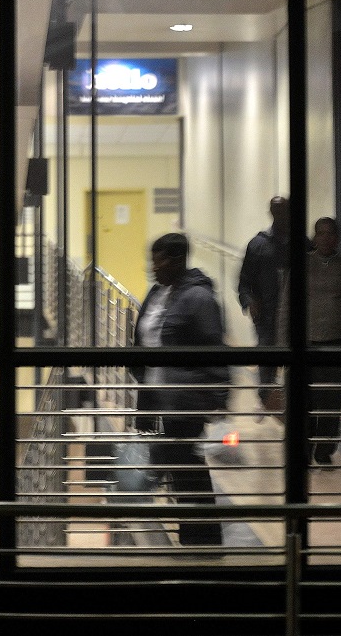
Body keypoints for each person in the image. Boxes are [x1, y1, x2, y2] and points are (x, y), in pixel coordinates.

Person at [134, 233, 230, 547]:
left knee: (183, 467)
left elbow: (213, 349)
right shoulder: (158, 293)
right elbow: (145, 346)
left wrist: (215, 398)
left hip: (185, 400)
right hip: (161, 397)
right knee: (186, 471)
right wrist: (145, 403)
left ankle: (203, 542)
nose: (153, 267)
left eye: (158, 260)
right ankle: (198, 540)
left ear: (177, 260)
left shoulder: (198, 298)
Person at [305, 217, 341, 466]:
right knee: (305, 399)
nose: (325, 238)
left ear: (337, 238)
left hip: (337, 343)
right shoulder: (303, 266)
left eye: (330, 234)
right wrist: (281, 343)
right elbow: (287, 306)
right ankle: (304, 450)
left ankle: (324, 449)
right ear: (315, 237)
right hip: (306, 344)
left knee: (331, 400)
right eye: (320, 233)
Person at [237, 196, 290, 408]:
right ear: (270, 212)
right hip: (266, 314)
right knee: (267, 356)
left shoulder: (302, 244)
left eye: (284, 210)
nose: (280, 215)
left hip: (294, 315)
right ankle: (266, 399)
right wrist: (250, 301)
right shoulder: (258, 244)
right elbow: (243, 281)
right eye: (276, 210)